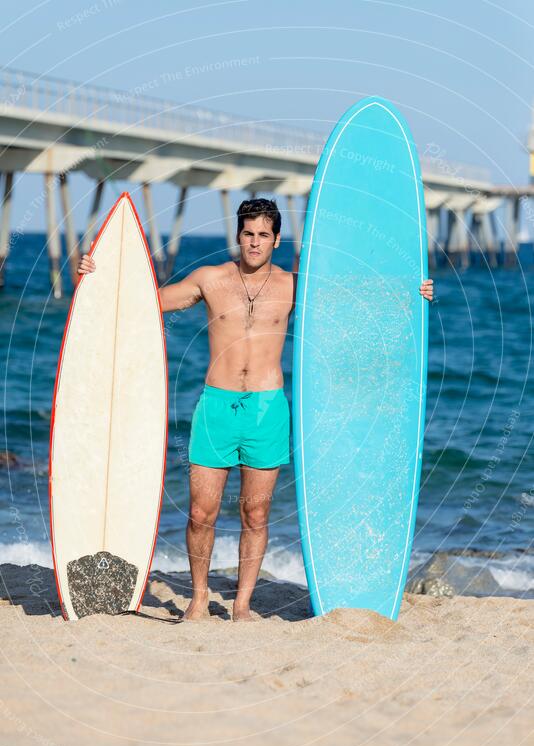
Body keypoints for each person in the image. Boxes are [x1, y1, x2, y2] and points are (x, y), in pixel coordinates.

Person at [77, 197, 434, 621]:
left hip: (267, 408)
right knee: (199, 512)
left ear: (277, 240)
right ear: (238, 236)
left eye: (264, 234)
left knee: (256, 511)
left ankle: (242, 605)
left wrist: (411, 292)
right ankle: (198, 599)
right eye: (248, 233)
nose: (255, 242)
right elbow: (146, 301)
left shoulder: (293, 285)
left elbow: (354, 303)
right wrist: (97, 277)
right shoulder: (210, 279)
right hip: (216, 405)